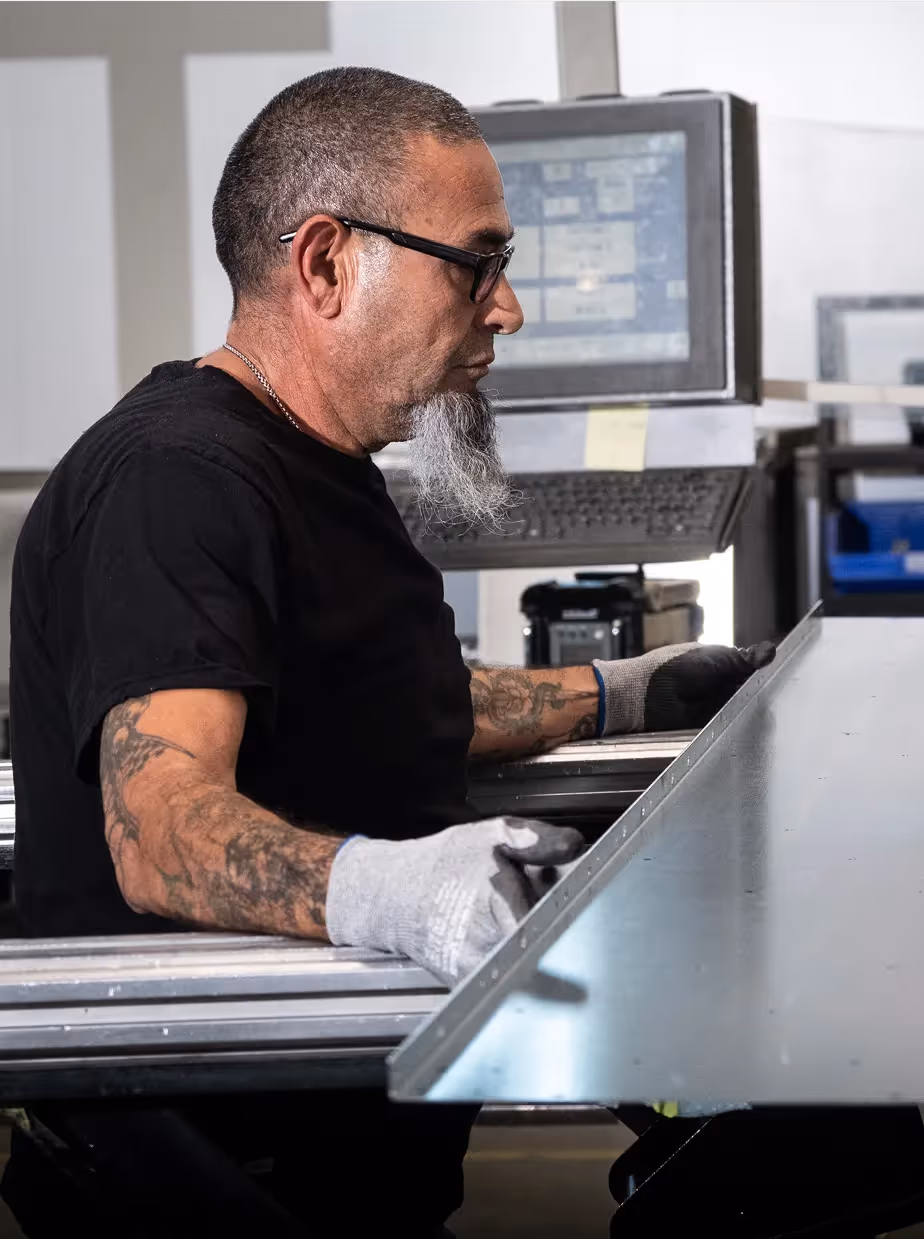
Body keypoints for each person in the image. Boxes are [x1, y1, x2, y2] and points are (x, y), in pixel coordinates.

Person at [6, 67, 771, 1238]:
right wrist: (400, 889)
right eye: (478, 263)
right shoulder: (180, 481)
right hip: (225, 1164)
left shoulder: (314, 465)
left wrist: (625, 691)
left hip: (363, 1146)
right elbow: (161, 833)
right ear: (326, 263)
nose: (505, 309)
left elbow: (390, 698)